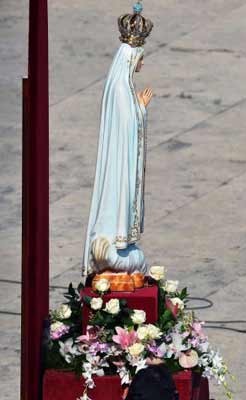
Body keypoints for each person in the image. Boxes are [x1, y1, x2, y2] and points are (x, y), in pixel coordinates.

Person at [82, 2, 154, 276]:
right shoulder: (123, 90)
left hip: (119, 161)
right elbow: (128, 124)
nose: (143, 62)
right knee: (134, 260)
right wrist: (142, 110)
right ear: (130, 58)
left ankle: (117, 245)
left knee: (135, 259)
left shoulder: (121, 87)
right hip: (120, 167)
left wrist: (138, 108)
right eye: (141, 57)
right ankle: (114, 243)